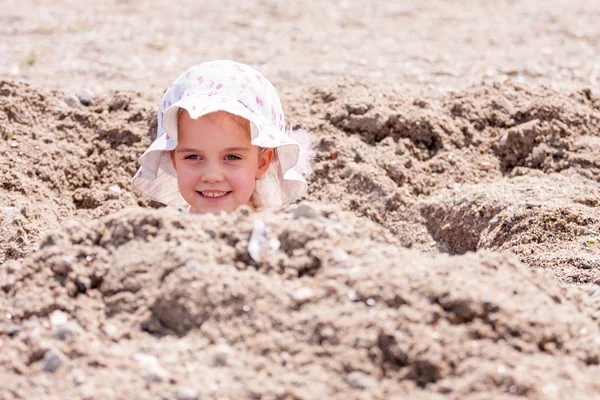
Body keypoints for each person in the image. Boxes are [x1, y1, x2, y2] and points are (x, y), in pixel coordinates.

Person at [131, 60, 313, 214]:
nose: (212, 176)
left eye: (231, 157)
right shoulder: (163, 232)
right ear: (174, 160)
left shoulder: (270, 235)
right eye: (193, 157)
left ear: (262, 163)